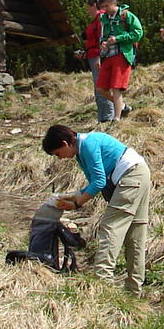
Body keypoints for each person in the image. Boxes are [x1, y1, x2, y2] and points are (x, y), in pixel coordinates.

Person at [42, 123, 152, 296]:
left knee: (110, 227)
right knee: (135, 233)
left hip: (130, 176)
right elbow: (94, 184)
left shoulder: (88, 144)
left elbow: (99, 182)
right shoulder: (82, 151)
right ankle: (133, 291)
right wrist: (73, 196)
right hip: (139, 173)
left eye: (57, 154)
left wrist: (77, 204)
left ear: (64, 143)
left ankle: (102, 284)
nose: (60, 158)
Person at [94, 0, 142, 122]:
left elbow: (138, 33)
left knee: (116, 87)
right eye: (103, 6)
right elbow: (103, 36)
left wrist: (118, 38)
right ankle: (123, 107)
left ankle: (117, 118)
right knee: (100, 88)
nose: (105, 9)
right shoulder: (104, 19)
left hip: (122, 54)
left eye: (107, 5)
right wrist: (103, 43)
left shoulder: (127, 16)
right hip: (108, 55)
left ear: (115, 3)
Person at [73, 0, 115, 126]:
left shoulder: (101, 19)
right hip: (94, 56)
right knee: (99, 87)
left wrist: (99, 57)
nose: (87, 10)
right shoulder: (97, 20)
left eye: (88, 7)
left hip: (99, 57)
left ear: (93, 6)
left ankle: (108, 117)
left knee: (102, 86)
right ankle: (102, 117)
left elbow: (100, 39)